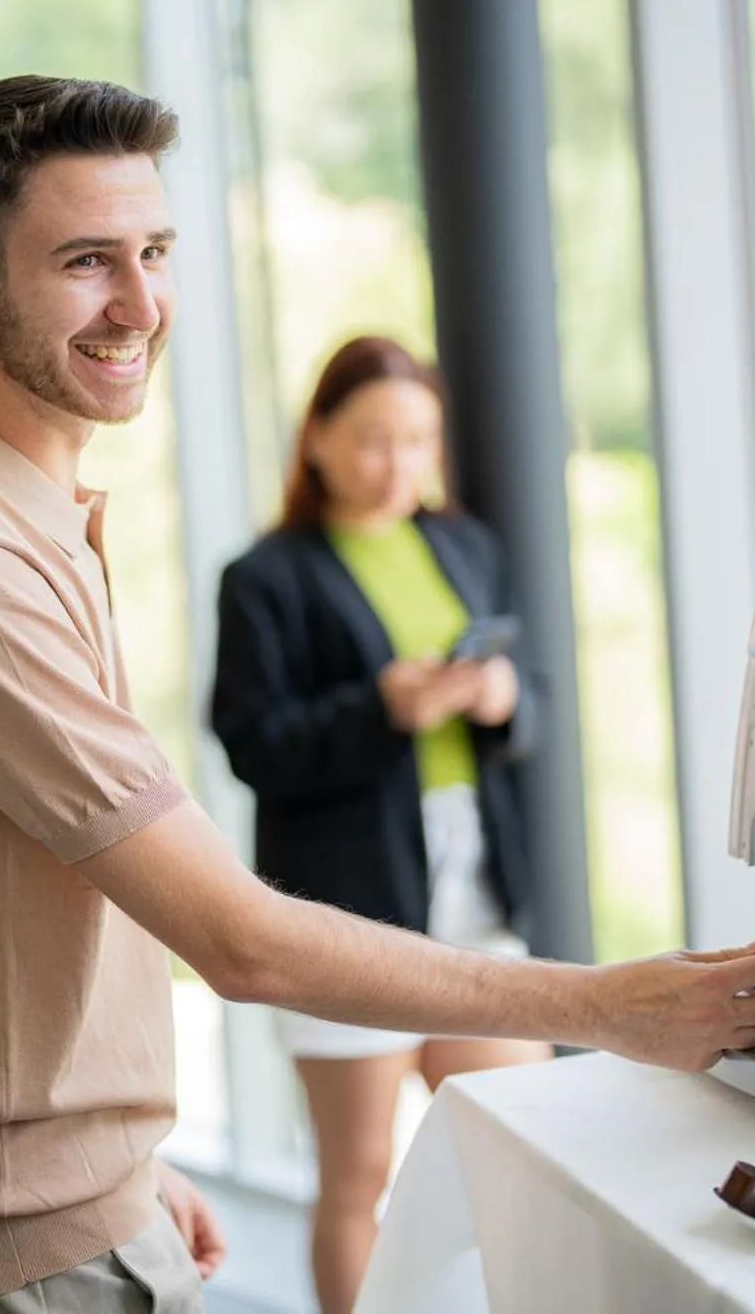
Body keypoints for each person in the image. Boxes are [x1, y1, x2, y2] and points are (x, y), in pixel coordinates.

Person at [0, 75, 755, 1314]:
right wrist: (605, 1003)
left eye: (153, 251)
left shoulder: (16, 509)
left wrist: (117, 1168)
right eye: (87, 262)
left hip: (50, 1198)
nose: (142, 304)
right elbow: (240, 939)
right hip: (17, 1241)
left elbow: (29, 897)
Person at [209, 334, 550, 1314]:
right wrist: (380, 709)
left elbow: (537, 702)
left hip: (470, 884)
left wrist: (499, 697)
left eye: (416, 440)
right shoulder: (264, 576)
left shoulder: (464, 546)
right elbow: (250, 742)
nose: (396, 463)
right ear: (314, 437)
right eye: (370, 439)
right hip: (342, 907)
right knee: (358, 1177)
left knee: (516, 1152)